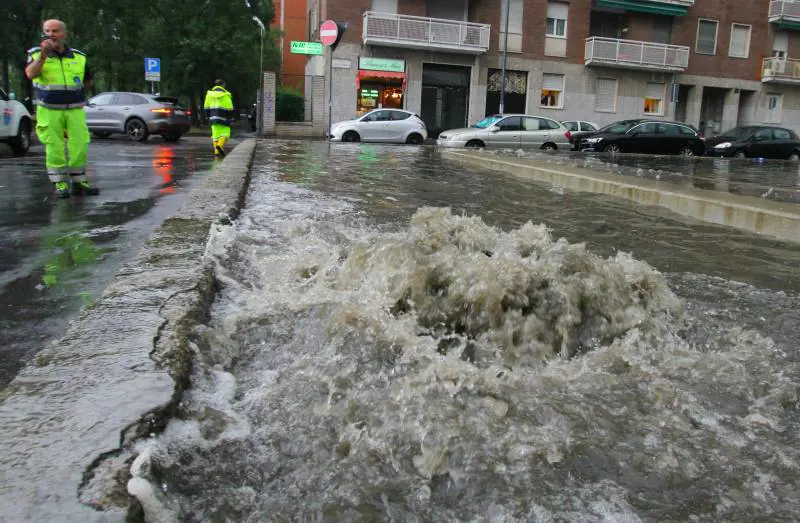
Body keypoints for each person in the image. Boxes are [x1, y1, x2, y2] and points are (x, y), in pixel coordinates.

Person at [25, 19, 98, 198]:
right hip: (49, 109)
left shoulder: (79, 57)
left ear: (64, 34)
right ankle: (60, 183)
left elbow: (88, 80)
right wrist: (43, 55)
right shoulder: (35, 54)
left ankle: (80, 180)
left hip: (74, 109)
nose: (51, 35)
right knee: (54, 146)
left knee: (80, 144)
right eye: (47, 31)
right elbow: (30, 74)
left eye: (55, 31)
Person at [203, 79, 234, 156]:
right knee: (226, 133)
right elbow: (229, 107)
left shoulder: (209, 95)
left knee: (215, 135)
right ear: (223, 85)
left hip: (212, 117)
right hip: (223, 117)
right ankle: (219, 146)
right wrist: (230, 117)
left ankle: (216, 152)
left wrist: (207, 116)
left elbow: (206, 106)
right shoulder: (226, 95)